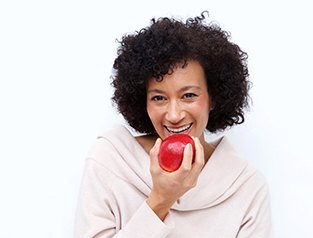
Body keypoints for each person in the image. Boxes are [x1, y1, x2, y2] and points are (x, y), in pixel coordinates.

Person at [74, 11, 273, 238]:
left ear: (213, 97)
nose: (174, 115)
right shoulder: (110, 160)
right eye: (159, 98)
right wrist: (161, 200)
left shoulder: (246, 186)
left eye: (188, 95)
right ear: (143, 101)